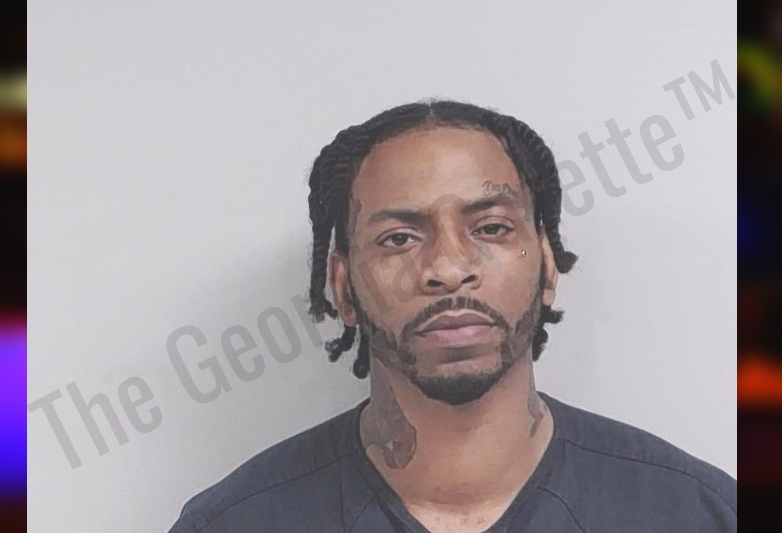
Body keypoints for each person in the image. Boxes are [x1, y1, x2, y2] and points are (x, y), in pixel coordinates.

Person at [169, 100, 736, 532]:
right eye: (398, 238)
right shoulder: (235, 522)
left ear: (546, 265)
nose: (448, 268)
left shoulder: (699, 513)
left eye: (491, 228)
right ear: (343, 288)